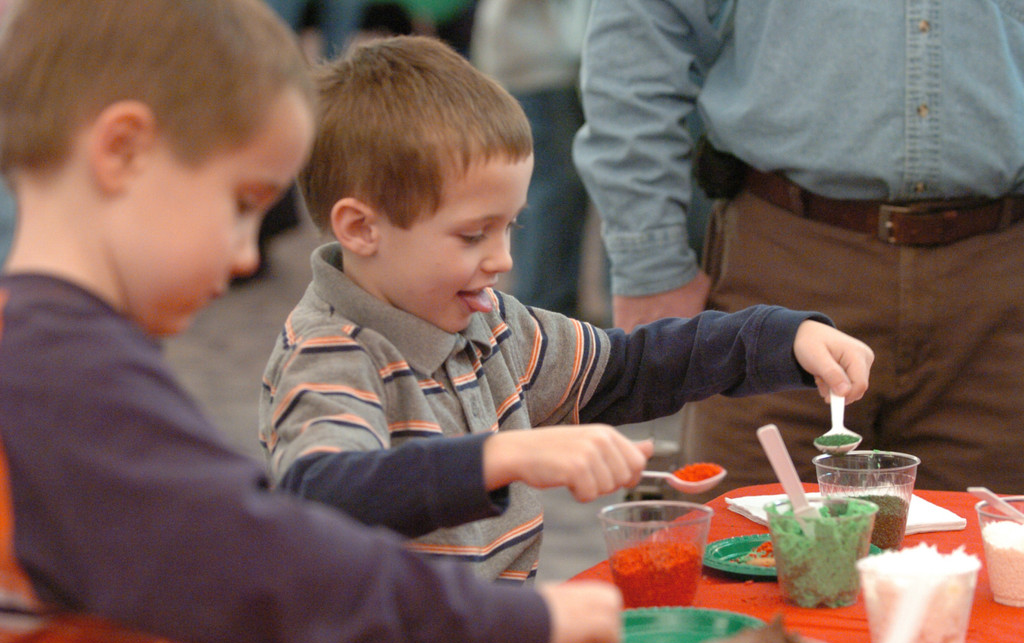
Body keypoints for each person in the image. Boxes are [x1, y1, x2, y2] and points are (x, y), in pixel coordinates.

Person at [0, 2, 628, 643]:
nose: (247, 256)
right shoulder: (59, 374)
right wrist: (521, 622)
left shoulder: (44, 353)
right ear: (123, 151)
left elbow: (163, 593)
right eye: (243, 204)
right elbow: (267, 560)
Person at [258, 35, 874, 583]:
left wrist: (778, 339)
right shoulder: (331, 353)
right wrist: (506, 455)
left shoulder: (492, 324)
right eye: (473, 235)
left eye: (511, 227)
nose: (502, 258)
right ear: (362, 228)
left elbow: (629, 368)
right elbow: (319, 494)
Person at [573, 1, 1024, 493]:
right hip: (784, 260)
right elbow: (641, 32)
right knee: (749, 547)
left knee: (991, 552)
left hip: (999, 289)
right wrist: (650, 263)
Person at [471, 0, 593, 319]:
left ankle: (541, 319)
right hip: (542, 59)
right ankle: (541, 322)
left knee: (547, 195)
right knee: (549, 198)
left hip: (538, 55)